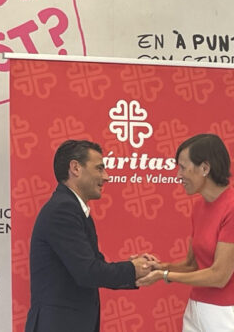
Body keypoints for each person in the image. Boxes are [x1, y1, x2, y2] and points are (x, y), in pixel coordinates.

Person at [25, 139, 153, 332]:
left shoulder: (74, 209)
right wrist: (132, 269)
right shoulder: (63, 209)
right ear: (75, 168)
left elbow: (95, 268)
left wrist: (138, 270)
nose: (106, 177)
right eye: (99, 168)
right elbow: (88, 272)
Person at [136, 134, 234, 331]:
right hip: (196, 309)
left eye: (183, 167)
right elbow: (192, 265)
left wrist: (164, 275)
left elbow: (219, 276)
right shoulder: (199, 206)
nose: (179, 175)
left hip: (228, 314)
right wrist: (158, 266)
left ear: (205, 168)